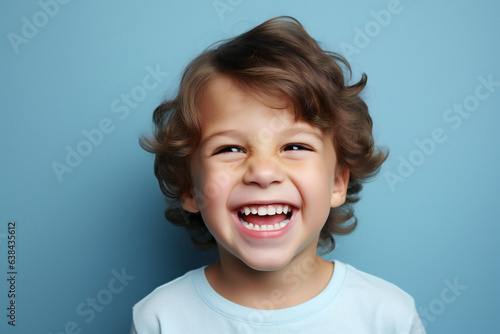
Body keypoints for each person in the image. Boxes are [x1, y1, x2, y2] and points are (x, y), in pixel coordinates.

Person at [131, 16, 425, 333]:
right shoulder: (161, 318)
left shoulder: (388, 316)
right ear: (189, 188)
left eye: (294, 146)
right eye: (229, 149)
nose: (264, 172)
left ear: (337, 182)